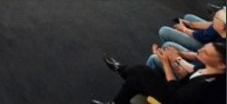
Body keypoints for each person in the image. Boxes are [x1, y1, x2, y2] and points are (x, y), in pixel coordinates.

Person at [93, 41, 226, 104]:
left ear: (221, 64)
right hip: (178, 94)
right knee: (135, 78)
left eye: (205, 52)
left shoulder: (207, 85)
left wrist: (166, 63)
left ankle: (121, 69)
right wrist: (172, 61)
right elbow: (188, 79)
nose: (200, 50)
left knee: (142, 71)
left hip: (173, 99)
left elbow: (174, 93)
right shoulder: (209, 68)